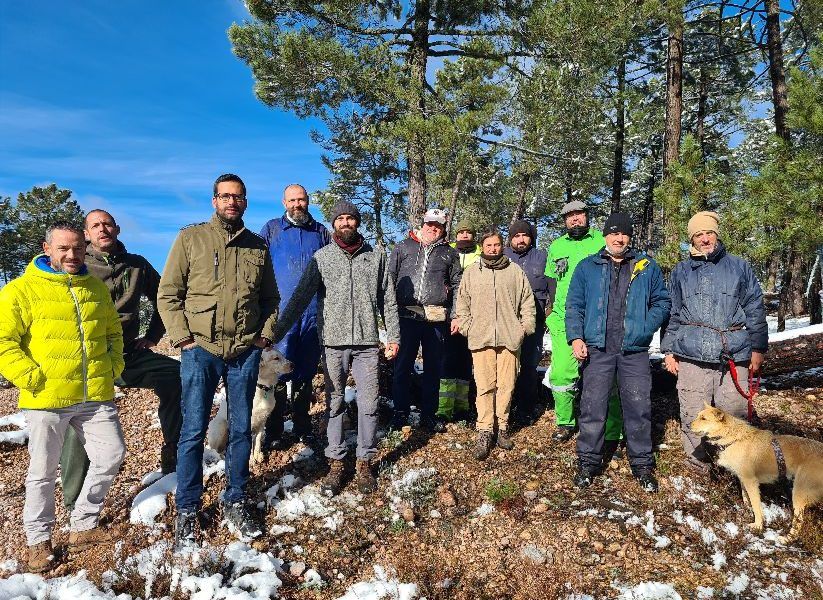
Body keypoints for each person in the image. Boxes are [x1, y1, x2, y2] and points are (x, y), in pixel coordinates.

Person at [158, 173, 280, 547]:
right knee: (193, 431)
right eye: (225, 196)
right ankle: (188, 508)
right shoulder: (191, 238)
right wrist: (183, 338)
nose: (232, 202)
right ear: (214, 201)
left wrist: (264, 336)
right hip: (201, 351)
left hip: (244, 352)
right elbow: (168, 294)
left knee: (242, 429)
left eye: (238, 197)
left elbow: (270, 300)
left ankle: (235, 499)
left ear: (245, 202)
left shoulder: (258, 247)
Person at [0, 221, 126, 573]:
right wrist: (31, 377)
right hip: (48, 397)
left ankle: (83, 524)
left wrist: (113, 365)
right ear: (47, 248)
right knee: (42, 471)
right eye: (63, 249)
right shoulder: (20, 290)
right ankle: (38, 539)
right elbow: (3, 342)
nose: (72, 255)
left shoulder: (95, 288)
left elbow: (113, 330)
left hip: (95, 393)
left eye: (78, 248)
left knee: (112, 453)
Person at [59, 210, 184, 514]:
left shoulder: (137, 265)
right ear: (86, 234)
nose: (103, 229)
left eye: (107, 224)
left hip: (129, 353)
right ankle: (75, 499)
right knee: (79, 416)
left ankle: (174, 457)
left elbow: (165, 296)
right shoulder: (76, 265)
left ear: (116, 229)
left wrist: (153, 335)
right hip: (87, 358)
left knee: (178, 375)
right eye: (95, 225)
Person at [272, 201, 400, 496]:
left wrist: (393, 336)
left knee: (368, 405)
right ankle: (336, 462)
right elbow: (300, 299)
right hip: (332, 343)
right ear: (333, 224)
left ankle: (365, 461)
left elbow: (388, 300)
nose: (345, 223)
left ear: (357, 223)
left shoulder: (376, 257)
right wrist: (275, 333)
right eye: (340, 218)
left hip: (367, 344)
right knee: (334, 404)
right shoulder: (322, 258)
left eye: (350, 218)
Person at [565, 212, 670, 492]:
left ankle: (642, 465)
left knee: (638, 408)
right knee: (592, 407)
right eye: (613, 233)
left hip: (633, 351)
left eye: (623, 234)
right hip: (597, 349)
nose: (618, 238)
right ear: (605, 236)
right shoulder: (588, 267)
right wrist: (576, 337)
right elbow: (574, 305)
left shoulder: (647, 266)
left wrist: (646, 327)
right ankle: (588, 462)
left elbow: (662, 301)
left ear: (629, 237)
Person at [661, 211, 768, 473]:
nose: (705, 238)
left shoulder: (739, 266)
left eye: (709, 233)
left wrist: (758, 348)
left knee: (733, 412)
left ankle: (735, 463)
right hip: (691, 353)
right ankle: (698, 462)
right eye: (699, 234)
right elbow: (672, 313)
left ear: (717, 235)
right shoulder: (681, 271)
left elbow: (755, 307)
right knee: (692, 411)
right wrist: (668, 350)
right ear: (692, 239)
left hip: (734, 353)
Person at [259, 184, 330, 449]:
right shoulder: (272, 229)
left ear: (308, 201)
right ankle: (274, 430)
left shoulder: (320, 231)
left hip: (312, 315)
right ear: (284, 202)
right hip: (281, 316)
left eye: (301, 200)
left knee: (305, 373)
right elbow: (257, 267)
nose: (297, 204)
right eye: (292, 200)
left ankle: (302, 427)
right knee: (277, 372)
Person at [546, 200, 623, 443]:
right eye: (569, 216)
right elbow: (551, 281)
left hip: (599, 318)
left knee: (607, 377)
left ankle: (613, 431)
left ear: (587, 216)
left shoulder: (602, 242)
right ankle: (565, 422)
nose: (575, 219)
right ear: (565, 221)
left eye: (579, 215)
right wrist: (550, 311)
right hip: (563, 319)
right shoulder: (557, 246)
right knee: (561, 374)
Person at [455, 230, 536, 460]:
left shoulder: (515, 271)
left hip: (510, 339)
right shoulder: (472, 272)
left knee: (507, 385)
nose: (493, 248)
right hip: (481, 339)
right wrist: (466, 327)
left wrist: (524, 328)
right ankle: (484, 430)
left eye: (497, 244)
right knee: (485, 386)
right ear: (482, 247)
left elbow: (527, 302)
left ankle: (502, 427)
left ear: (502, 246)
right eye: (488, 245)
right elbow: (462, 304)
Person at [389, 208, 461, 432]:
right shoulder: (403, 247)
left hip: (436, 319)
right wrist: (388, 313)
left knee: (434, 368)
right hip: (406, 316)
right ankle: (400, 411)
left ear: (443, 228)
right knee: (402, 366)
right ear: (423, 224)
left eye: (438, 225)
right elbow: (389, 280)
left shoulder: (449, 253)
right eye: (430, 223)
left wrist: (456, 313)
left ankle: (429, 414)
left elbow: (458, 285)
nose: (433, 228)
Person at [504, 219, 550, 426]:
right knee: (506, 365)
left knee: (529, 365)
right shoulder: (503, 256)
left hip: (535, 320)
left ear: (531, 237)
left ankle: (526, 409)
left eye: (525, 235)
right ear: (511, 238)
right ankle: (504, 406)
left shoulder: (542, 257)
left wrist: (549, 312)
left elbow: (552, 287)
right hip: (506, 320)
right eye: (516, 236)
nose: (521, 239)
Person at [437, 218, 481, 423]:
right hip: (448, 315)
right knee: (447, 359)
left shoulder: (481, 254)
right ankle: (444, 408)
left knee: (466, 361)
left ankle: (462, 406)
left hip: (473, 316)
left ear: (473, 235)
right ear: (456, 234)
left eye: (468, 232)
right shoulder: (446, 251)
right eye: (461, 232)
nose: (464, 235)